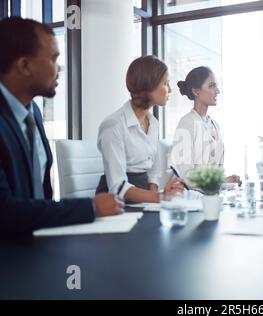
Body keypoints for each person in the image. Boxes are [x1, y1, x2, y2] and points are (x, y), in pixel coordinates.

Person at [0, 17, 123, 236]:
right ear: (25, 66)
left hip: (36, 247)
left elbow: (38, 197)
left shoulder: (32, 113)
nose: (60, 68)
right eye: (54, 59)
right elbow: (4, 211)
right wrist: (91, 207)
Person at [96, 56, 185, 203]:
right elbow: (117, 187)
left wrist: (154, 202)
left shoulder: (154, 123)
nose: (170, 89)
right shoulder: (113, 126)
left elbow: (153, 172)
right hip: (116, 201)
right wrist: (160, 197)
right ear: (149, 85)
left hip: (144, 194)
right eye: (166, 83)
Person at [171, 66, 240, 184]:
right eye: (212, 86)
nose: (217, 91)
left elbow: (218, 171)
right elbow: (186, 176)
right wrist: (221, 182)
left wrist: (228, 181)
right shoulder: (186, 123)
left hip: (214, 195)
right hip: (194, 198)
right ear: (196, 91)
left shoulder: (215, 125)